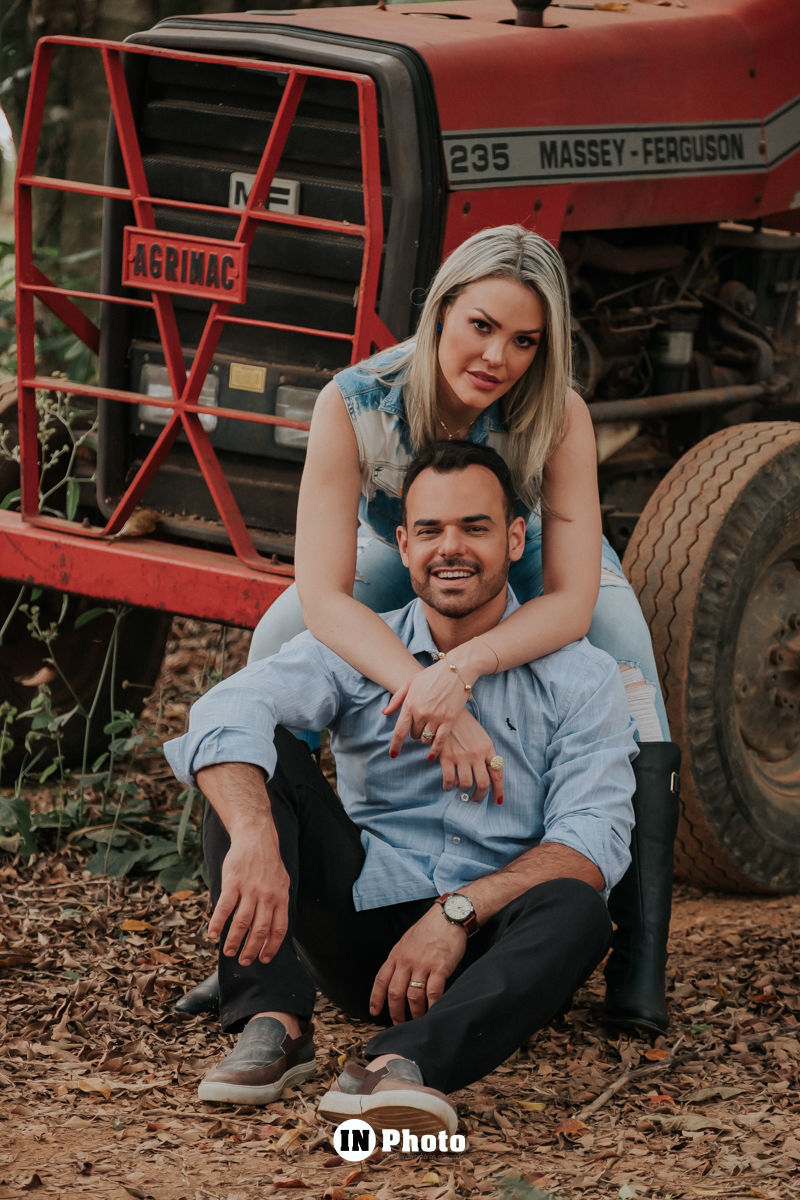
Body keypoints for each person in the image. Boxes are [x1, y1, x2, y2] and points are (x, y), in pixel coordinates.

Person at [176, 224, 680, 1034]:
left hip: (528, 538)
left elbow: (572, 600)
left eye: (525, 340)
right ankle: (251, 936)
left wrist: (465, 667)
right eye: (482, 326)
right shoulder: (356, 400)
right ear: (442, 308)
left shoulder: (558, 413)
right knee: (277, 647)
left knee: (623, 645)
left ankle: (639, 959)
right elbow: (324, 589)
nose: (498, 358)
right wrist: (421, 683)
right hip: (414, 538)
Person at [165, 443, 639, 1131]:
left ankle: (397, 1066)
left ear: (512, 538)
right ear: (403, 543)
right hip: (362, 928)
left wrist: (456, 914)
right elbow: (224, 710)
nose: (452, 549)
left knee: (579, 906)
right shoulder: (360, 649)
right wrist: (256, 833)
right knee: (250, 754)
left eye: (475, 528)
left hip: (489, 950)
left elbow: (593, 840)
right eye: (430, 530)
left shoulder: (580, 676)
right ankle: (275, 1021)